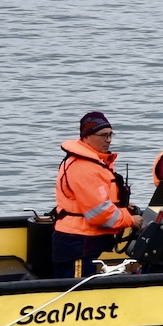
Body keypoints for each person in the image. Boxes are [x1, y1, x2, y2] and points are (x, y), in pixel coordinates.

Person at [53, 111, 141, 278]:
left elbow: (96, 200)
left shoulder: (91, 162)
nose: (108, 140)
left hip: (83, 241)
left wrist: (121, 206)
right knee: (76, 291)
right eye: (103, 135)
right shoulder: (84, 167)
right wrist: (130, 220)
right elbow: (100, 213)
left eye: (110, 135)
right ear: (86, 137)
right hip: (77, 243)